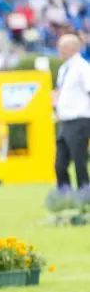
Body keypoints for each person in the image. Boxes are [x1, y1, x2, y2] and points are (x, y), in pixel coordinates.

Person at [53, 33, 90, 190]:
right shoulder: (64, 69)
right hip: (65, 121)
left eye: (61, 47)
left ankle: (85, 196)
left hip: (79, 120)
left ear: (71, 48)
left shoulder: (83, 68)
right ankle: (66, 198)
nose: (58, 50)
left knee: (79, 162)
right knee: (60, 164)